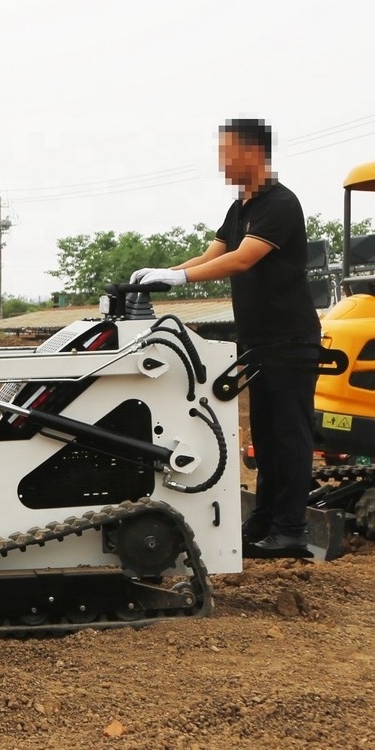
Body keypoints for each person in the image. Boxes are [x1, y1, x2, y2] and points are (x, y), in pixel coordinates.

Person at [131, 118, 321, 558]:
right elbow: (212, 254)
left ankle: (292, 529)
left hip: (290, 340)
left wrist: (178, 278)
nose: (223, 163)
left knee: (290, 436)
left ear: (254, 152)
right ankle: (264, 523)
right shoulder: (241, 207)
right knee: (267, 436)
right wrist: (162, 274)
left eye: (227, 153)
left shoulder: (280, 203)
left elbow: (242, 259)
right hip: (259, 342)